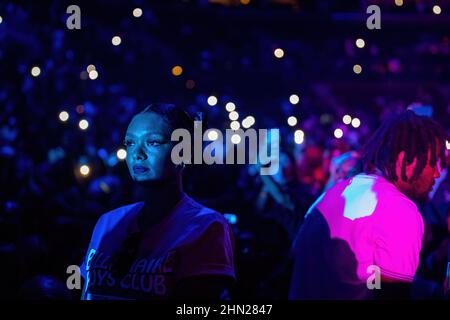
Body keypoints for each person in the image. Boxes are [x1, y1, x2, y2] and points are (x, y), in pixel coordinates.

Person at [80, 103, 235, 300]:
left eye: (153, 142)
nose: (137, 154)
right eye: (130, 143)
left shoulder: (207, 227)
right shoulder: (107, 223)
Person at [289, 110, 448, 300]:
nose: (437, 173)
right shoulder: (398, 209)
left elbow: (358, 277)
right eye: (433, 162)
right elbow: (392, 295)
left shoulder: (332, 193)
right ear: (405, 160)